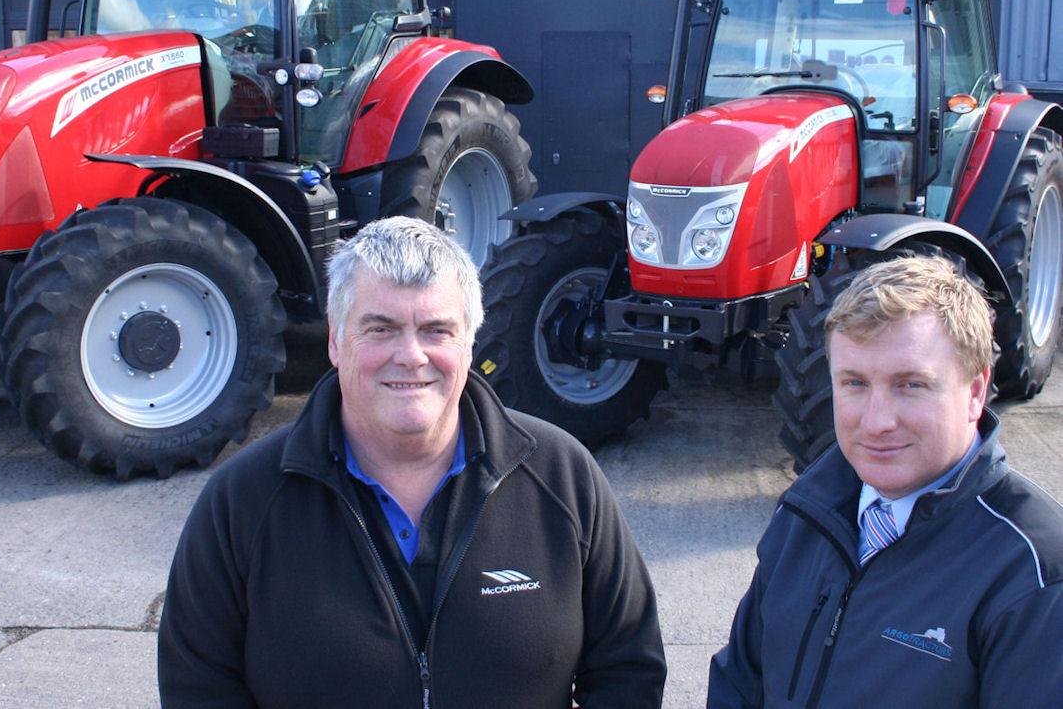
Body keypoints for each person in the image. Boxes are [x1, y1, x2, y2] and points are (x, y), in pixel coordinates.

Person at [158, 216, 666, 708]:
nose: (411, 355)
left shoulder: (562, 477)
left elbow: (628, 666)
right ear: (336, 339)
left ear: (470, 341)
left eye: (436, 330)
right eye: (381, 329)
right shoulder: (241, 502)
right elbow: (198, 687)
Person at [707, 254, 1063, 708]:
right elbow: (741, 680)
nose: (877, 422)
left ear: (975, 391)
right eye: (854, 383)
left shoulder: (1035, 573)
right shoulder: (808, 511)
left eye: (910, 385)